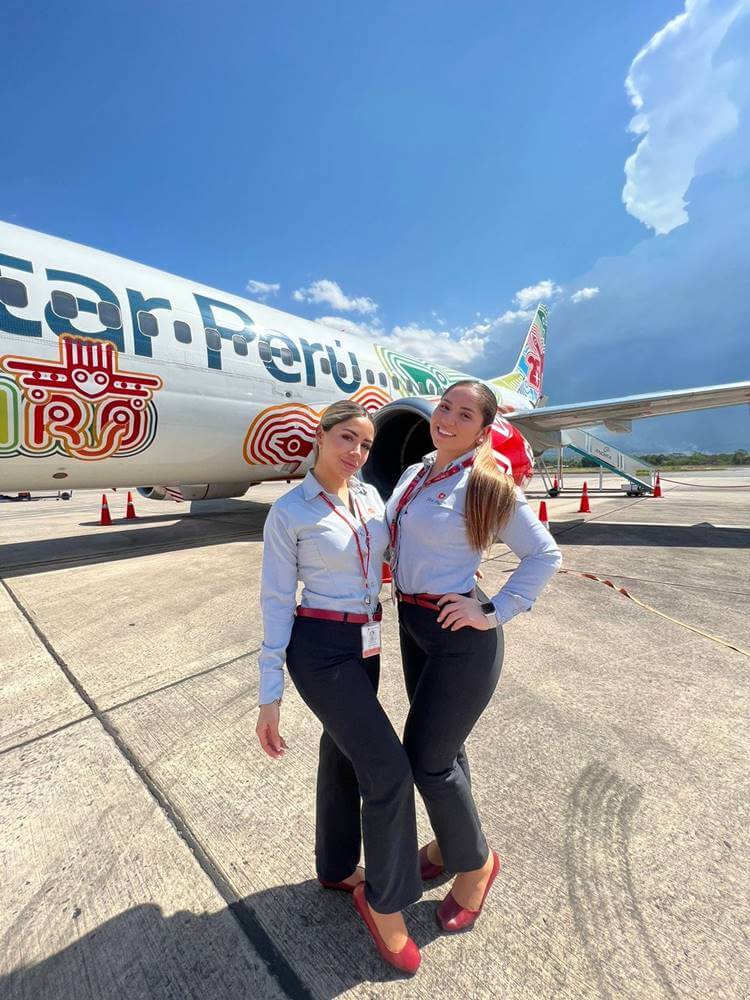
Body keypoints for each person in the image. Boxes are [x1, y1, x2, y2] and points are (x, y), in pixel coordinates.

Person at [386, 379, 562, 932]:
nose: (448, 418)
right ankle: (448, 843)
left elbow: (544, 554)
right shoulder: (417, 472)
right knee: (446, 751)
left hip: (460, 635)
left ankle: (476, 865)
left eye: (465, 414)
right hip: (413, 623)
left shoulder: (485, 482)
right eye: (443, 407)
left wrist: (493, 612)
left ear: (484, 430)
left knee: (427, 757)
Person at [255, 400, 422, 975]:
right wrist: (269, 694)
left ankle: (334, 866)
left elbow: (391, 554)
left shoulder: (371, 498)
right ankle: (385, 902)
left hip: (367, 642)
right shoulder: (290, 512)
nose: (356, 452)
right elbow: (277, 603)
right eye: (346, 438)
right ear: (321, 436)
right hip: (320, 651)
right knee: (389, 770)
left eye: (366, 445)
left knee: (343, 754)